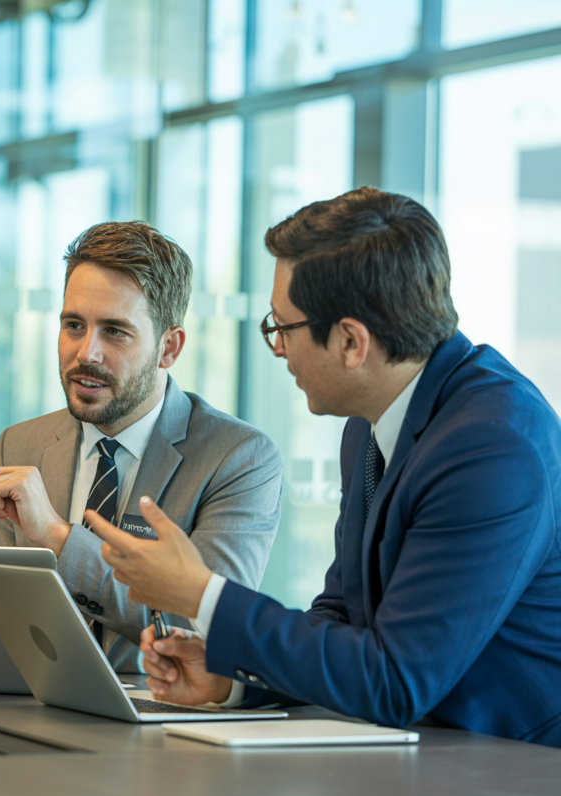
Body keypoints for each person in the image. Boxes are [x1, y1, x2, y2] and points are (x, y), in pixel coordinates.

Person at [90, 187, 561, 746]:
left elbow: (394, 680)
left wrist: (200, 593)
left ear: (351, 342)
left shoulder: (493, 445)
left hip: (515, 769)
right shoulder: (369, 422)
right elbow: (344, 619)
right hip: (425, 755)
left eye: (283, 327)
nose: (278, 349)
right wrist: (233, 680)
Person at [0, 221, 283, 671]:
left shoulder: (238, 458)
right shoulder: (20, 443)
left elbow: (205, 626)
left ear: (168, 348)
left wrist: (59, 539)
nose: (86, 353)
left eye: (115, 331)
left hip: (156, 708)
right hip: (26, 701)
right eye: (73, 325)